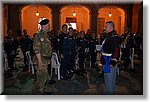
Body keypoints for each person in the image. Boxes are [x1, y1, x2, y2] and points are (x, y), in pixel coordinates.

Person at [33, 19, 52, 94]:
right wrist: (40, 62)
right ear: (43, 26)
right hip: (41, 60)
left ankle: (43, 87)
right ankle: (41, 91)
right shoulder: (39, 35)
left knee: (44, 75)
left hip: (45, 60)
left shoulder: (45, 34)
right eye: (48, 25)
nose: (49, 27)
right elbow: (36, 50)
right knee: (41, 76)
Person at [101, 21, 120, 94]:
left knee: (110, 80)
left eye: (106, 26)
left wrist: (113, 62)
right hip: (106, 61)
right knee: (107, 80)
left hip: (109, 62)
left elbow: (116, 50)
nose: (104, 28)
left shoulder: (113, 37)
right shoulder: (109, 36)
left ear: (110, 27)